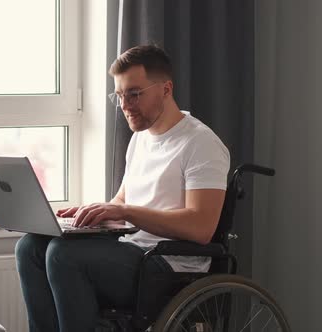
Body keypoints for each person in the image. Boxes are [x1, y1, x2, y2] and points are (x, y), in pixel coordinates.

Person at [14, 44, 230, 332]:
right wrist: (93, 215)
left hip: (169, 264)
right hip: (132, 251)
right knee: (30, 247)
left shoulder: (201, 144)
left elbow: (201, 227)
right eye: (119, 96)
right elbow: (123, 201)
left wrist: (124, 210)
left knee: (63, 256)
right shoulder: (142, 139)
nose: (125, 105)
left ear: (165, 89)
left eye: (134, 94)